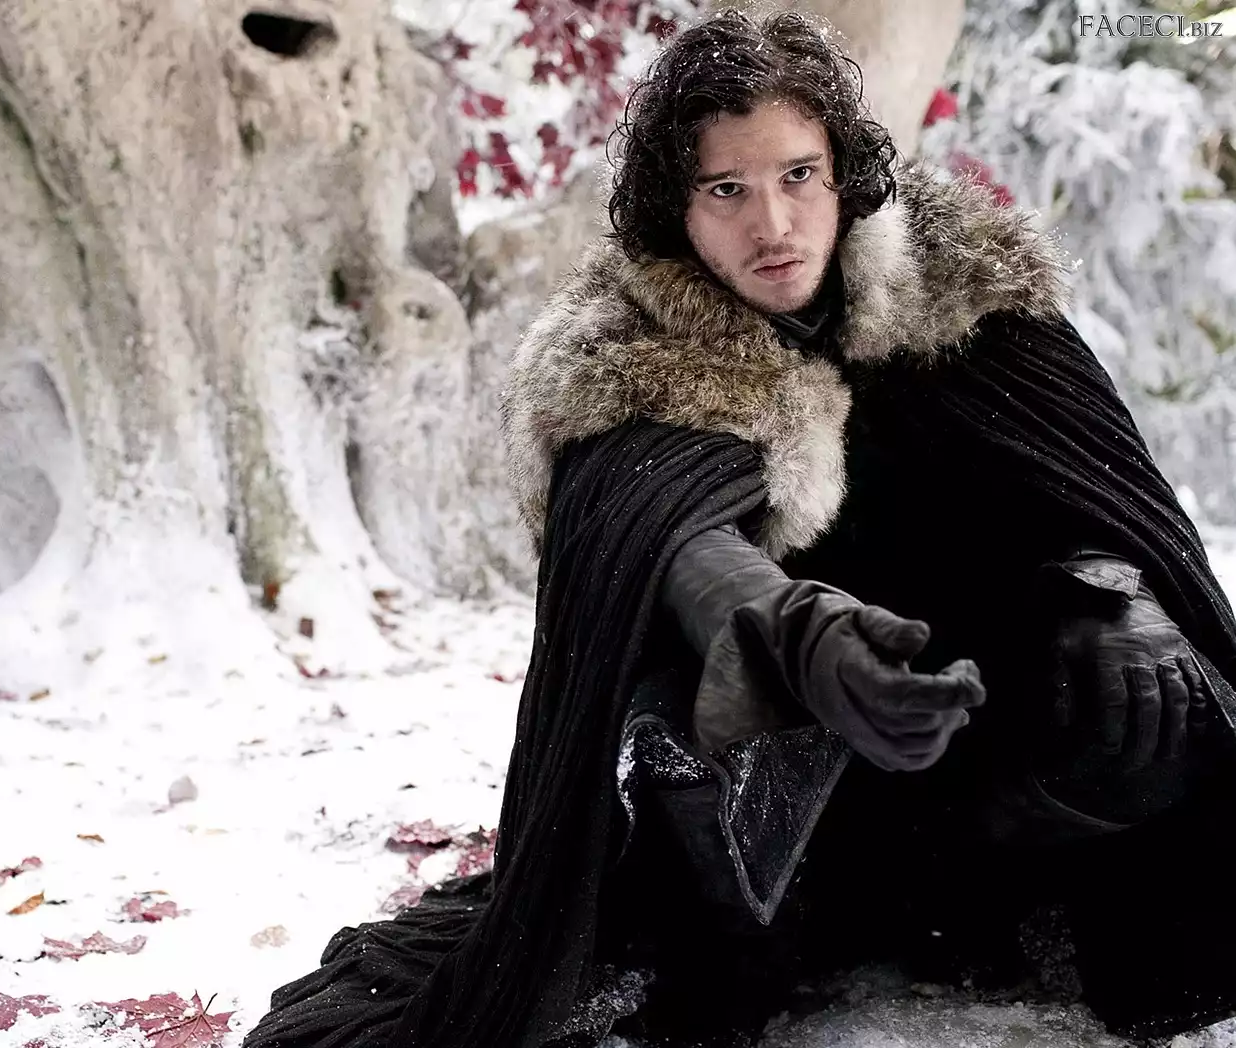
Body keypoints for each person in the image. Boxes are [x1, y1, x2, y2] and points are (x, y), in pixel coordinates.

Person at [242, 8, 1236, 1048]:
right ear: (678, 209)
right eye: (727, 189)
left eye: (798, 176)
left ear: (842, 175)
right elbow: (668, 548)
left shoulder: (972, 299)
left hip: (986, 764)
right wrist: (793, 635)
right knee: (692, 739)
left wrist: (1115, 590)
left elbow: (1095, 503)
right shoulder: (625, 359)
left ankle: (1071, 926)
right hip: (784, 817)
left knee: (1151, 676)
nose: (773, 224)